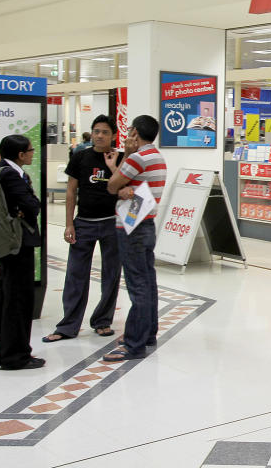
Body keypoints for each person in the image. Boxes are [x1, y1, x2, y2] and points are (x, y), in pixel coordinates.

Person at [44, 116, 124, 343]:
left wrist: (114, 166)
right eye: (96, 131)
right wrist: (69, 223)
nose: (99, 135)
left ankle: (102, 321)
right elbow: (71, 192)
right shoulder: (80, 157)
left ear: (113, 135)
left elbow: (125, 188)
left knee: (111, 274)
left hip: (112, 223)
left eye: (105, 132)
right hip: (84, 223)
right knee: (76, 274)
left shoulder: (121, 158)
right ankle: (68, 325)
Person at [103, 115, 167, 362]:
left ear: (135, 133)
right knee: (148, 282)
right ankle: (147, 333)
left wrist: (121, 178)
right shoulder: (156, 157)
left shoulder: (137, 157)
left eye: (129, 131)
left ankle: (134, 344)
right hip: (147, 224)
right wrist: (121, 187)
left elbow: (111, 186)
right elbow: (125, 186)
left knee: (137, 285)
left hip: (132, 227)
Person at [0, 135, 44, 370]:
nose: (33, 153)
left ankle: (1, 351)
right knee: (18, 300)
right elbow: (33, 206)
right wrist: (28, 206)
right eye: (30, 150)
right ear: (21, 155)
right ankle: (16, 356)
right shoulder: (12, 174)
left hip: (7, 243)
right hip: (18, 243)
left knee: (6, 296)